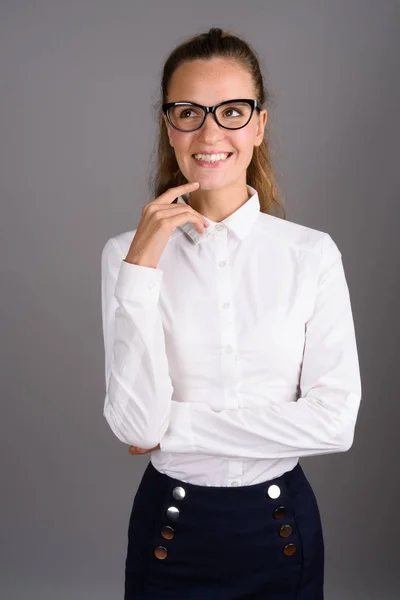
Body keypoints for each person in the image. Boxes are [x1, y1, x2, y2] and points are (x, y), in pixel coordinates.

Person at [101, 27, 362, 599]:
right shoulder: (125, 253)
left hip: (280, 532)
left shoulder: (311, 254)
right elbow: (135, 426)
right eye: (189, 112)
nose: (210, 132)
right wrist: (142, 267)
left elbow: (334, 423)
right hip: (169, 534)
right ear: (169, 125)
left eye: (233, 111)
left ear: (260, 124)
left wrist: (179, 427)